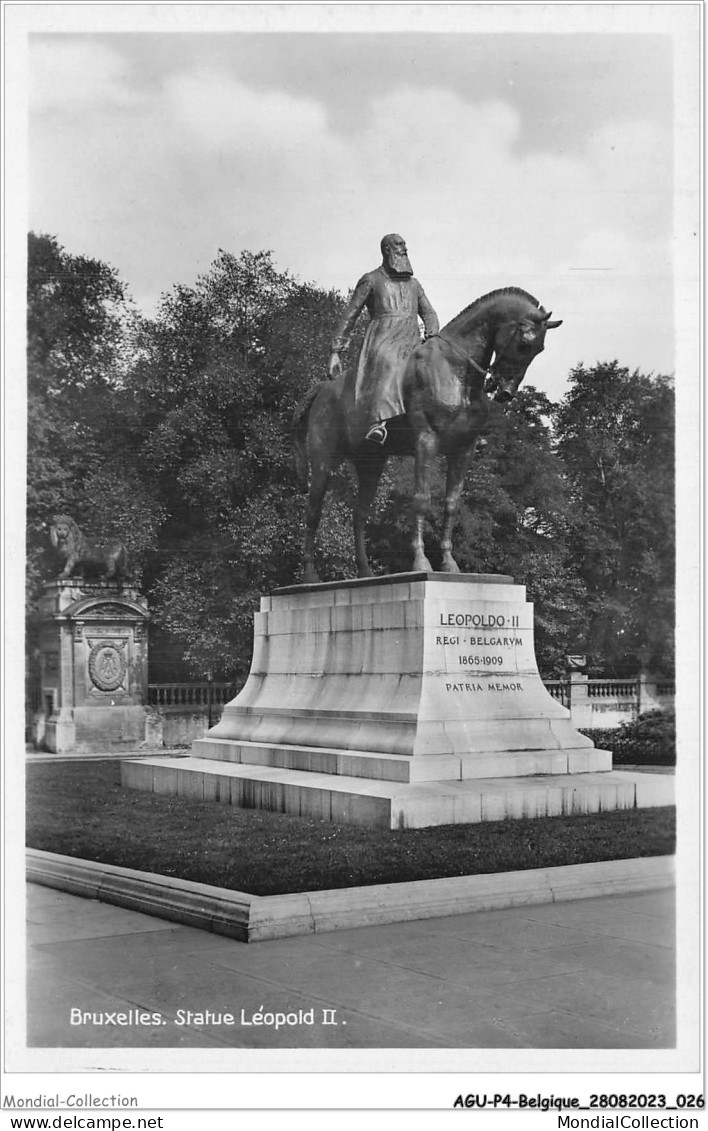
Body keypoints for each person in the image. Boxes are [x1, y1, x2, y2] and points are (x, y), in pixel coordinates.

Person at [328, 234, 440, 444]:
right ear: (387, 250)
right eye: (399, 245)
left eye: (405, 244)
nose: (404, 248)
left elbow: (429, 313)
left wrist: (432, 334)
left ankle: (452, 425)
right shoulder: (371, 279)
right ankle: (376, 422)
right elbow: (350, 314)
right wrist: (336, 351)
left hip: (412, 339)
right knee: (390, 362)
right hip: (383, 340)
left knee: (437, 366)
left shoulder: (414, 284)